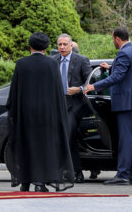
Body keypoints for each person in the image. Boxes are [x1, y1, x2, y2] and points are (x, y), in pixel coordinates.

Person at [6, 32, 74, 192]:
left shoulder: (21, 63)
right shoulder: (51, 65)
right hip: (47, 115)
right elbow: (58, 92)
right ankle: (40, 183)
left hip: (25, 115)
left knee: (26, 146)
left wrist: (13, 113)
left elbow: (14, 91)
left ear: (30, 46)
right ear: (46, 48)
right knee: (44, 148)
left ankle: (25, 182)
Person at [84, 27, 132, 185]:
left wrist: (94, 86)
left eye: (113, 39)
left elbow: (118, 76)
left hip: (126, 103)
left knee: (125, 139)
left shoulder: (123, 53)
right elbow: (127, 71)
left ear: (117, 38)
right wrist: (110, 67)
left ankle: (123, 175)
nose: (113, 42)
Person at [52, 34, 92, 183]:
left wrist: (79, 89)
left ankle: (73, 171)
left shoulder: (81, 60)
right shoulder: (53, 61)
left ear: (71, 45)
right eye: (60, 44)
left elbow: (90, 83)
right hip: (57, 104)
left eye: (65, 44)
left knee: (68, 137)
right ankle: (71, 171)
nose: (62, 47)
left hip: (74, 104)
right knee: (60, 139)